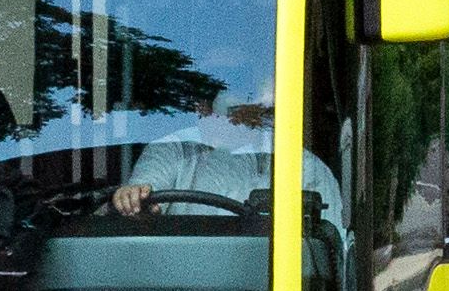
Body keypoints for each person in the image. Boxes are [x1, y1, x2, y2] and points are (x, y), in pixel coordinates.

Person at [111, 94, 343, 228]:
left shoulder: (301, 165)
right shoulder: (174, 149)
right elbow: (146, 185)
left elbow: (329, 242)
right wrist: (132, 195)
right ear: (201, 106)